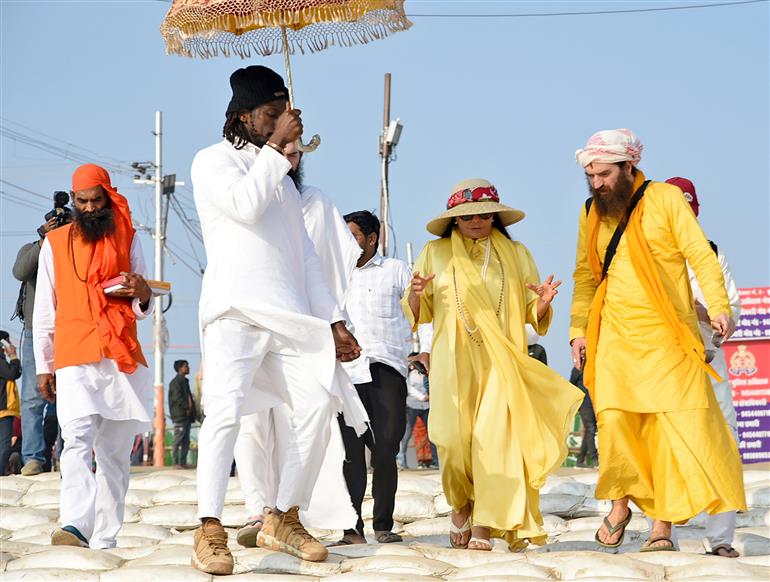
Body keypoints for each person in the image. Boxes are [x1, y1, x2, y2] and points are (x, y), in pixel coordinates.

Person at [190, 65, 361, 574]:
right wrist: (276, 150)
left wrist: (332, 320)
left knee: (317, 403)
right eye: (271, 115)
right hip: (235, 310)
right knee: (224, 414)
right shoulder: (212, 162)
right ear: (243, 117)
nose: (280, 124)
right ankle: (209, 527)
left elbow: (305, 258)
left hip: (288, 316)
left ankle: (283, 516)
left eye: (284, 114)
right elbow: (244, 207)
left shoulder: (284, 183)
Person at [569, 129, 746, 552]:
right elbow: (584, 275)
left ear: (629, 167)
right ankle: (618, 506)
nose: (597, 184)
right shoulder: (590, 211)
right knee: (616, 428)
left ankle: (661, 529)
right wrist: (577, 329)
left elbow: (700, 254)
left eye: (605, 174)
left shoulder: (665, 199)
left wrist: (719, 306)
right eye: (591, 175)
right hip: (612, 338)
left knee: (667, 435)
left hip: (668, 339)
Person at [405, 179, 583, 551]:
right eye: (466, 215)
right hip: (452, 360)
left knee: (494, 442)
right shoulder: (434, 253)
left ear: (495, 216)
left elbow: (532, 314)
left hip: (501, 359)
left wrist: (545, 302)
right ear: (453, 219)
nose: (476, 220)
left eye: (484, 214)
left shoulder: (516, 253)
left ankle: (484, 526)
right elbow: (418, 314)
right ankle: (460, 506)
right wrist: (415, 294)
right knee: (451, 441)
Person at [233, 140, 366, 548]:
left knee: (311, 414)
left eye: (296, 156)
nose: (290, 163)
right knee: (252, 420)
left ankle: (290, 511)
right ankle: (258, 508)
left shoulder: (314, 203)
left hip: (304, 326)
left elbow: (337, 262)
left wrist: (332, 321)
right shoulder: (245, 194)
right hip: (253, 321)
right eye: (283, 154)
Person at [33, 163, 154, 549]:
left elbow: (145, 298)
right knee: (76, 438)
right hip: (74, 352)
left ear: (108, 197)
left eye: (95, 200)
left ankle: (104, 537)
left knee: (115, 453)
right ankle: (75, 525)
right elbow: (44, 311)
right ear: (73, 200)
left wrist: (142, 292)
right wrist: (43, 365)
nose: (88, 208)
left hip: (119, 354)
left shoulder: (128, 236)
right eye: (81, 201)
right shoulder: (54, 244)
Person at [667, 176, 743, 558]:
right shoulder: (647, 255)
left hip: (709, 361)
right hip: (664, 363)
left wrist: (711, 314)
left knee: (723, 443)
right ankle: (665, 536)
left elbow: (730, 307)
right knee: (668, 444)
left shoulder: (712, 253)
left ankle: (721, 539)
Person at [339, 210, 411, 545]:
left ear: (372, 239)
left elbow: (419, 310)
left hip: (386, 368)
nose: (347, 243)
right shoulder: (332, 277)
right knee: (350, 454)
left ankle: (383, 524)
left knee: (385, 448)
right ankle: (351, 529)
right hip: (345, 373)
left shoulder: (395, 270)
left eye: (354, 235)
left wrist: (421, 351)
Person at [13, 217, 63, 476]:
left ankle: (69, 456)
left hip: (70, 331)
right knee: (33, 398)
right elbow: (20, 272)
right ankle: (33, 457)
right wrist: (44, 240)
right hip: (35, 331)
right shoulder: (32, 247)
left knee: (70, 396)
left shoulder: (73, 249)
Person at [397, 353, 438, 470]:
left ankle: (436, 461)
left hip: (426, 407)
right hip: (413, 406)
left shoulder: (427, 373)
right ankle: (401, 461)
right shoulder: (409, 374)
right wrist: (422, 397)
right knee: (407, 434)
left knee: (432, 434)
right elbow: (409, 388)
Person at [0, 333, 22, 476]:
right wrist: (13, 356)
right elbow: (13, 373)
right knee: (4, 445)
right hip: (3, 409)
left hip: (4, 409)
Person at [169, 359, 196, 468]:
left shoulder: (184, 381)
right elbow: (177, 398)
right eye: (186, 366)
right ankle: (175, 463)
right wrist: (186, 407)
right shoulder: (176, 382)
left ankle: (183, 462)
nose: (188, 368)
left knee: (186, 441)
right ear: (180, 368)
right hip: (180, 416)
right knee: (178, 440)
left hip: (187, 417)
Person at [568, 367, 597, 468]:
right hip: (584, 403)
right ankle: (595, 459)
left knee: (590, 430)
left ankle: (580, 460)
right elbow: (571, 386)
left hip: (595, 402)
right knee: (590, 429)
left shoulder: (596, 366)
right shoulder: (578, 369)